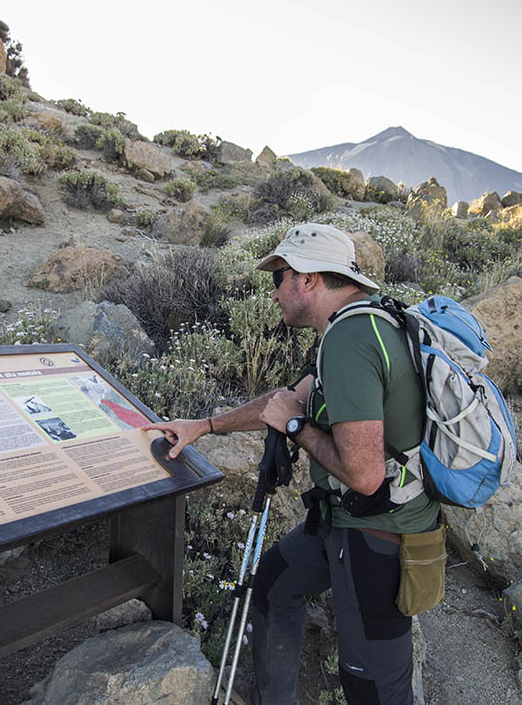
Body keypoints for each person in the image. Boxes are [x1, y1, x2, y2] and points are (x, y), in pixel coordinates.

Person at [142, 222, 439, 705]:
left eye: (277, 278)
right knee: (275, 585)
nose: (274, 292)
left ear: (307, 279)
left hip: (379, 538)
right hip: (340, 523)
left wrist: (297, 429)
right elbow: (283, 401)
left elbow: (363, 476)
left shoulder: (352, 340)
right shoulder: (354, 326)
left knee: (375, 689)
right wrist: (205, 425)